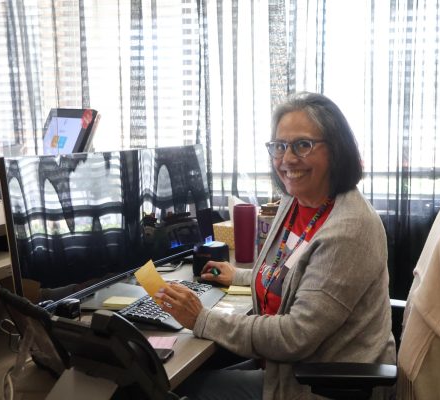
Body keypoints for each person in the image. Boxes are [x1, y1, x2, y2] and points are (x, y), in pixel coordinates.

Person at [155, 92, 396, 399]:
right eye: (279, 146)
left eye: (303, 145)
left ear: (336, 150)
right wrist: (240, 275)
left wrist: (202, 319)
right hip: (284, 368)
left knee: (176, 386)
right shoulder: (295, 201)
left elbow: (295, 336)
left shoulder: (349, 229)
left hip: (319, 384)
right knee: (180, 375)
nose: (287, 159)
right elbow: (291, 270)